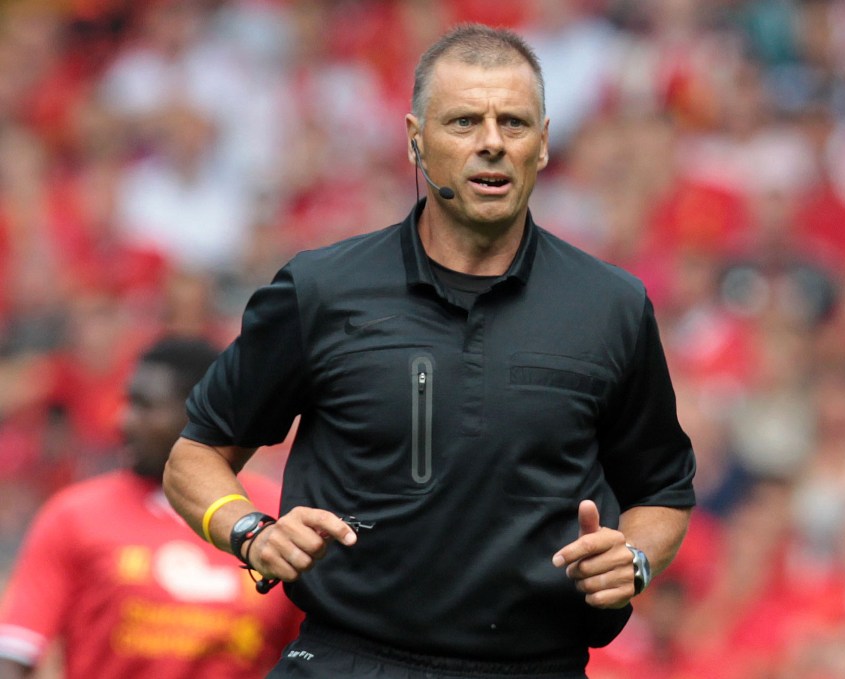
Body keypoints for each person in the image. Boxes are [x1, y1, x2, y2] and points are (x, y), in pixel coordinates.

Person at [163, 23, 696, 679]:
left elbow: (663, 492)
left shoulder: (611, 305)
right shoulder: (321, 290)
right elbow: (196, 456)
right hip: (347, 657)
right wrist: (250, 531)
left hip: (535, 665)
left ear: (544, 145)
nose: (492, 143)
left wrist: (634, 559)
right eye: (465, 121)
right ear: (416, 140)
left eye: (514, 123)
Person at [0, 337, 302, 679]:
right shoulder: (74, 516)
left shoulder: (276, 519)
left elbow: (310, 657)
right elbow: (13, 654)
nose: (122, 421)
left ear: (202, 415)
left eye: (144, 406)